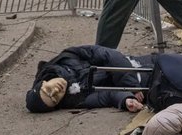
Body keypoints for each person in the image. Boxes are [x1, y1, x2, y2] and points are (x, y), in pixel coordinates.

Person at [25, 44, 154, 114]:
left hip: (137, 65)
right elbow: (106, 96)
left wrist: (131, 84)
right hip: (149, 85)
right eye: (53, 99)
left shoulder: (66, 57)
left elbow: (104, 53)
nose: (55, 92)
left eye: (48, 90)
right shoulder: (74, 99)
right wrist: (126, 100)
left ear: (44, 82)